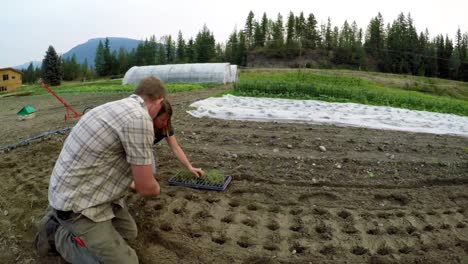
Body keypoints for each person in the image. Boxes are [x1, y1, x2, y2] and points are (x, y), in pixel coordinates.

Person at [35, 76, 167, 263]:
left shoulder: (111, 107)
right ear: (159, 101)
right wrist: (156, 188)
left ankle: (79, 228)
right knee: (126, 262)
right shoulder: (140, 118)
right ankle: (58, 235)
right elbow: (146, 188)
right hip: (76, 206)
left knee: (129, 234)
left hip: (86, 190)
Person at [129, 100, 204, 191]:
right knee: (138, 178)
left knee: (150, 174)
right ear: (153, 116)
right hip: (128, 147)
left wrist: (189, 167)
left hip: (145, 148)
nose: (165, 123)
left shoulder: (165, 127)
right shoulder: (141, 125)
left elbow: (175, 147)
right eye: (163, 120)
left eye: (168, 119)